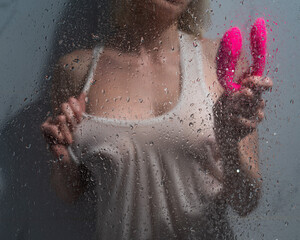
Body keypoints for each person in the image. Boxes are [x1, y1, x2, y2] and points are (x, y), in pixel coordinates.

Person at [41, 0, 273, 239]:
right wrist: (61, 153)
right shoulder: (76, 71)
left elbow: (246, 201)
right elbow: (71, 193)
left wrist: (230, 141)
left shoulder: (221, 60)